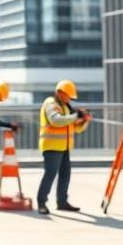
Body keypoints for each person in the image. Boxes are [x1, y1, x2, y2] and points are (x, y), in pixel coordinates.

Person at [36, 80, 91, 215]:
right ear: (59, 93)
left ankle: (62, 202)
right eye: (68, 96)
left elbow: (76, 128)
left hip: (64, 147)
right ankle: (41, 203)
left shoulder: (66, 107)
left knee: (65, 175)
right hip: (52, 146)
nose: (69, 99)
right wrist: (75, 116)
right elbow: (56, 120)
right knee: (50, 174)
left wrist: (84, 120)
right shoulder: (50, 103)